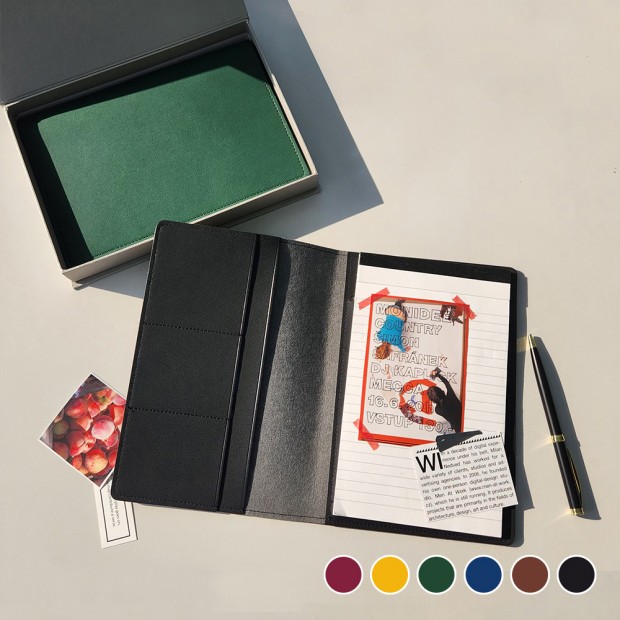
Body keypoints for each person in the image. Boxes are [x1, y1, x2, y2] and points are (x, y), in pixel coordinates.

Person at [427, 367, 463, 432]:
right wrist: (437, 374)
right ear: (441, 391)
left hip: (459, 430)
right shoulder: (451, 395)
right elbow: (446, 383)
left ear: (432, 400)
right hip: (466, 419)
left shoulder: (438, 410)